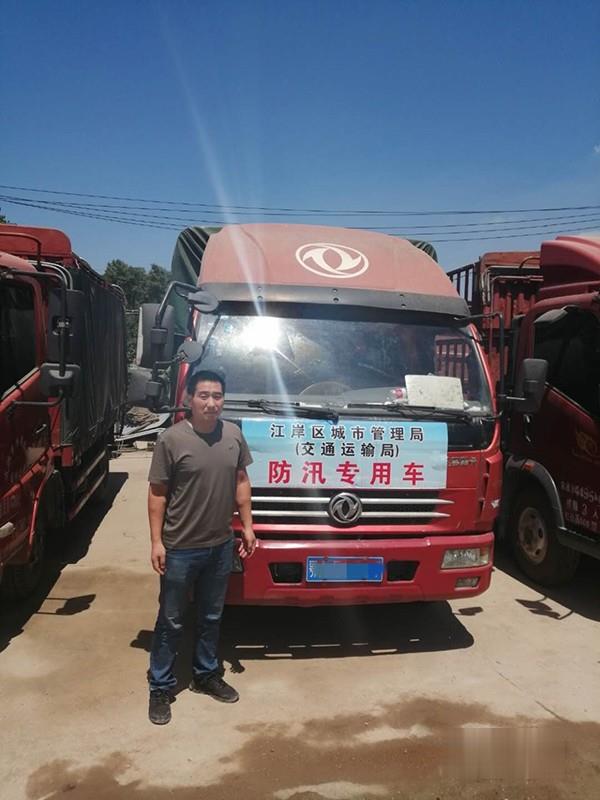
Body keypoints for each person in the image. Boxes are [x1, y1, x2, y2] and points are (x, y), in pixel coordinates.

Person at [147, 369, 256, 725]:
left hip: (220, 545)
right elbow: (157, 494)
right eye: (204, 396)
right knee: (171, 619)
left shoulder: (233, 434)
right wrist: (156, 542)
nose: (211, 403)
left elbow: (241, 481)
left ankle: (205, 674)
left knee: (211, 616)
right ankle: (160, 686)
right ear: (189, 399)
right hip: (180, 548)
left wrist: (247, 526)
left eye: (217, 396)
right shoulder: (171, 440)